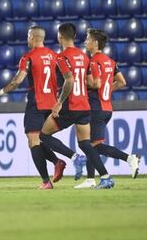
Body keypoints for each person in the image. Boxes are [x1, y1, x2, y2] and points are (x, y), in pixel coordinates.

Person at [0, 26, 86, 189]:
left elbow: (17, 80)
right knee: (41, 138)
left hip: (36, 103)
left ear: (33, 37)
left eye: (28, 36)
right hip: (52, 103)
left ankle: (47, 180)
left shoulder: (28, 57)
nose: (27, 40)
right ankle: (58, 162)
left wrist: (1, 92)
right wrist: (61, 101)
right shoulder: (56, 57)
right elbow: (69, 79)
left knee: (33, 141)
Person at [39, 23, 115, 190]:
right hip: (85, 106)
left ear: (60, 36)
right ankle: (105, 177)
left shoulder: (62, 57)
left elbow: (69, 80)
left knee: (44, 135)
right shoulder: (85, 57)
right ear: (74, 36)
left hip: (70, 105)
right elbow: (94, 82)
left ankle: (74, 158)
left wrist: (58, 102)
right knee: (86, 144)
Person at [74, 29, 141, 188]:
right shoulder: (110, 61)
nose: (85, 42)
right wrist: (108, 90)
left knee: (94, 146)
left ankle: (129, 158)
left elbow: (95, 83)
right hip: (106, 107)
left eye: (88, 39)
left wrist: (81, 83)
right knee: (91, 144)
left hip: (96, 108)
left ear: (95, 43)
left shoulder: (93, 61)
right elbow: (122, 82)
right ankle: (90, 179)